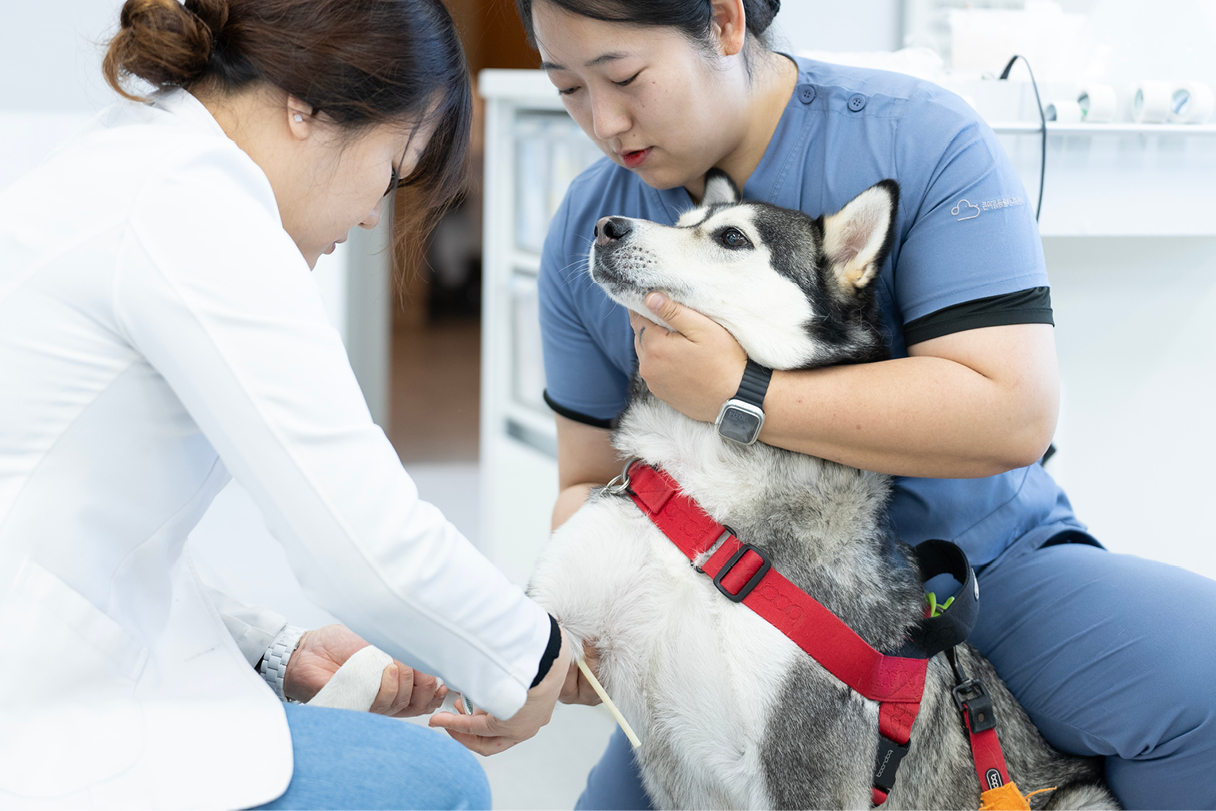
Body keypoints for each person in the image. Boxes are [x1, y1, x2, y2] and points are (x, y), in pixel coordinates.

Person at [517, 0, 1216, 808]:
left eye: (624, 76)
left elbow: (1014, 411)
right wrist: (585, 633)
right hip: (720, 602)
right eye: (568, 88)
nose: (604, 122)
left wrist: (744, 393)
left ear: (725, 22)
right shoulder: (593, 232)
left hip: (976, 568)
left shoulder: (919, 140)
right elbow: (585, 481)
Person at [0, 0, 589, 808]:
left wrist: (276, 649)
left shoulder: (137, 161)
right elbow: (362, 539)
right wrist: (536, 651)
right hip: (35, 714)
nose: (375, 211)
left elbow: (79, 533)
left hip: (45, 654)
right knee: (439, 785)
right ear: (306, 104)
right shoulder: (192, 202)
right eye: (392, 166)